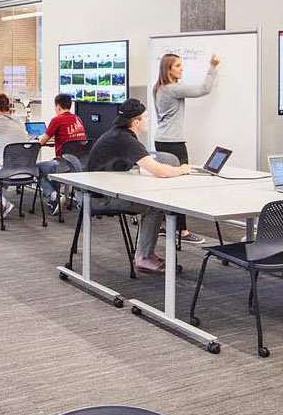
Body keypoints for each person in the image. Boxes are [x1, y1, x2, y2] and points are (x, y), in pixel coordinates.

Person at [85, 98, 191, 273]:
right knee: (154, 206)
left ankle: (145, 254)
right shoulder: (126, 140)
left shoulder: (116, 134)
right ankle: (144, 257)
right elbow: (159, 170)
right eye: (146, 117)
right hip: (98, 198)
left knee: (152, 202)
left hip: (97, 191)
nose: (148, 120)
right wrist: (182, 169)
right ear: (136, 122)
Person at [151, 52, 221, 245]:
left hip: (161, 139)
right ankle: (182, 230)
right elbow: (204, 89)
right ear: (168, 70)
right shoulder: (173, 89)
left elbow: (159, 116)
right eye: (178, 66)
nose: (182, 69)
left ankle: (169, 224)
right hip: (174, 142)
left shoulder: (158, 88)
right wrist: (213, 67)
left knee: (169, 185)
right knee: (182, 184)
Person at [36, 93, 86, 214]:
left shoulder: (57, 120)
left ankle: (54, 196)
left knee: (35, 168)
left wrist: (37, 139)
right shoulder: (77, 119)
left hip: (63, 164)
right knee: (51, 165)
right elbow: (80, 141)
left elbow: (42, 141)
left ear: (58, 106)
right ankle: (56, 198)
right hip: (79, 164)